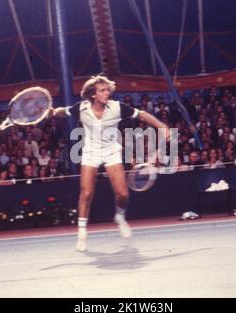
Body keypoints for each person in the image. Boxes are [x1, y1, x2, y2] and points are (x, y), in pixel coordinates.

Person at [50, 75, 169, 252]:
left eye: (108, 90)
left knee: (122, 194)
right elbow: (63, 111)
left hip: (111, 151)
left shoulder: (117, 107)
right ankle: (82, 234)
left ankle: (119, 216)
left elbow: (142, 115)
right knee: (86, 193)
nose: (107, 93)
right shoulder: (81, 108)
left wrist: (161, 126)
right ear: (92, 94)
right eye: (102, 90)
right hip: (91, 152)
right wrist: (53, 112)